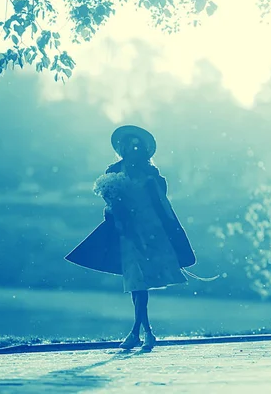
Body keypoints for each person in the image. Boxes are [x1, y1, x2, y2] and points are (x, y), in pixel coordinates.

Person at [65, 125, 196, 350]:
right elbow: (110, 205)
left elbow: (162, 203)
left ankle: (140, 332)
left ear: (143, 150)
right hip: (128, 233)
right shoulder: (114, 171)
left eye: (137, 146)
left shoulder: (153, 175)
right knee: (136, 281)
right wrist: (115, 212)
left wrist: (172, 230)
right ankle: (143, 332)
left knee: (141, 283)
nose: (133, 149)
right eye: (129, 145)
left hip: (152, 232)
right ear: (122, 148)